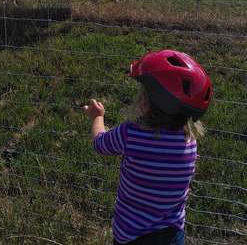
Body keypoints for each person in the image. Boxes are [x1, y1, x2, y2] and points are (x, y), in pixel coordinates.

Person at [84, 49, 213, 245]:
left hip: (131, 235)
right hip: (172, 236)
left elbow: (100, 143)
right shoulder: (190, 143)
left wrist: (97, 117)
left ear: (148, 102)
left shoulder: (130, 134)